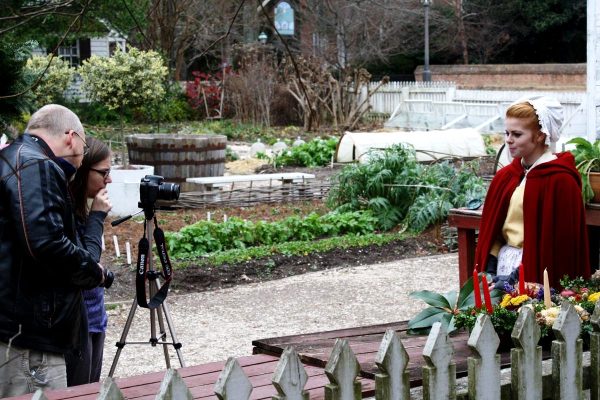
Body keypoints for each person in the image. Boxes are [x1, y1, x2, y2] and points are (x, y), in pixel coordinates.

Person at [0, 104, 106, 397]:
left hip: (14, 327)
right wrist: (93, 272)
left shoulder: (10, 158)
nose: (82, 156)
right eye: (83, 147)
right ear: (71, 137)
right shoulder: (37, 164)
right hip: (31, 337)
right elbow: (47, 244)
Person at [474, 96, 590, 290]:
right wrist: (491, 270)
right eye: (507, 133)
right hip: (501, 268)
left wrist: (515, 278)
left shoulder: (560, 181)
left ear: (540, 136)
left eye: (517, 134)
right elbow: (494, 231)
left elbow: (560, 247)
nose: (508, 140)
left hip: (537, 275)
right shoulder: (506, 176)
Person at [66, 137, 112, 386]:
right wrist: (97, 216)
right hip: (77, 323)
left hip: (95, 317)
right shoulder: (68, 213)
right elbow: (88, 263)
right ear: (83, 170)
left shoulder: (85, 208)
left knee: (93, 390)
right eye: (104, 173)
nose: (109, 180)